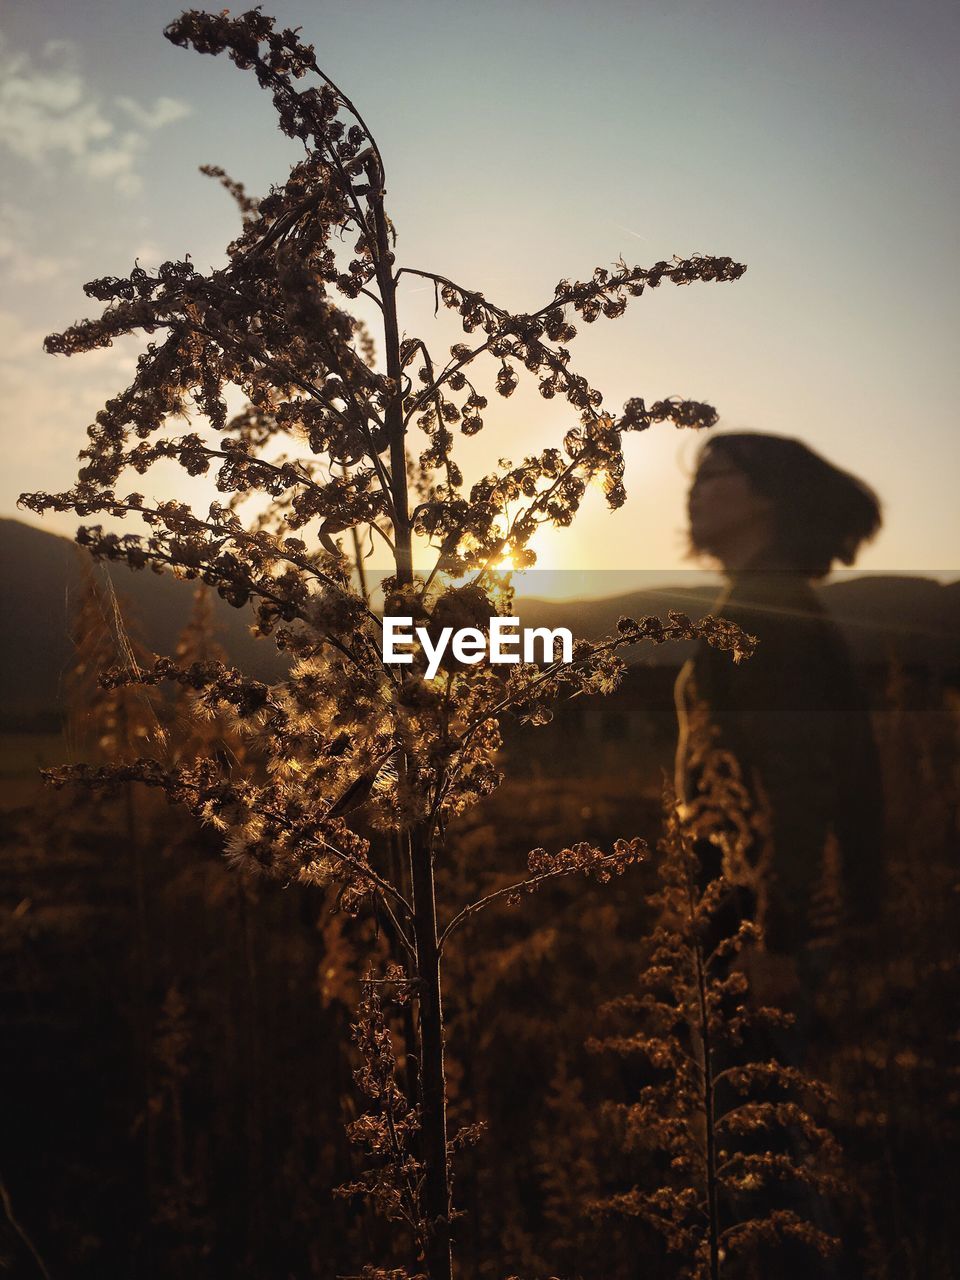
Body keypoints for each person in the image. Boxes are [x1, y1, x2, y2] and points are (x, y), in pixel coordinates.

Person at [674, 432, 885, 995]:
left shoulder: (768, 615)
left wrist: (776, 943)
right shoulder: (764, 599)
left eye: (713, 476)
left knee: (759, 1081)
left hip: (762, 934)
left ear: (766, 496)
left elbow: (800, 784)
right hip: (751, 917)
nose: (693, 493)